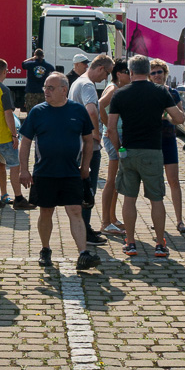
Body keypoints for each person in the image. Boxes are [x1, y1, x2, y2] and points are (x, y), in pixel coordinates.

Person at [108, 55, 185, 258]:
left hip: (129, 151)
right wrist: (164, 115)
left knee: (129, 199)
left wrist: (119, 150)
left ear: (131, 72)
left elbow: (111, 129)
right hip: (153, 151)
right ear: (148, 72)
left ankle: (131, 243)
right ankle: (160, 244)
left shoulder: (120, 94)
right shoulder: (160, 91)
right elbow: (179, 118)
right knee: (156, 199)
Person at [20, 73, 100, 269]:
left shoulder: (78, 110)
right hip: (44, 172)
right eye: (45, 88)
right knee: (46, 211)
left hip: (71, 172)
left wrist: (85, 166)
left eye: (51, 88)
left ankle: (83, 254)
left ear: (64, 90)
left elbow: (89, 140)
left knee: (75, 210)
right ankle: (45, 249)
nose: (46, 91)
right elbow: (26, 142)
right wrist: (23, 169)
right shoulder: (37, 112)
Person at [69, 54, 114, 245]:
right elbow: (91, 110)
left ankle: (84, 226)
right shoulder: (87, 85)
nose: (106, 78)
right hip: (88, 146)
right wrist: (95, 133)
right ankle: (85, 231)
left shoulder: (78, 82)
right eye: (108, 74)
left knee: (83, 188)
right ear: (101, 68)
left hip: (77, 142)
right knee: (88, 189)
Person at [0, 58, 32, 210]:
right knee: (14, 166)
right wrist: (14, 135)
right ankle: (18, 198)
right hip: (3, 136)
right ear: (4, 71)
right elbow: (8, 114)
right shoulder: (3, 89)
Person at [150, 58, 185, 234]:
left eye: (160, 72)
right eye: (154, 72)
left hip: (169, 139)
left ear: (165, 74)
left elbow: (181, 117)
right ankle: (157, 220)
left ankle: (180, 220)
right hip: (152, 141)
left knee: (173, 180)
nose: (157, 75)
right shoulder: (148, 92)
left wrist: (169, 118)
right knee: (155, 183)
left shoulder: (173, 93)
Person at [97, 60, 132, 238]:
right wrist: (106, 125)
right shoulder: (114, 89)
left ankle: (112, 217)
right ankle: (105, 222)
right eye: (128, 72)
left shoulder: (116, 88)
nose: (130, 75)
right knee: (111, 181)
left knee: (116, 180)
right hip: (113, 137)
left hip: (115, 135)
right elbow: (99, 105)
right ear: (119, 74)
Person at [21, 48, 54, 113]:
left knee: (31, 112)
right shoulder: (48, 66)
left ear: (35, 55)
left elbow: (23, 64)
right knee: (43, 112)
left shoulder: (30, 64)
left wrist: (32, 58)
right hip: (43, 92)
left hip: (31, 92)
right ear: (43, 56)